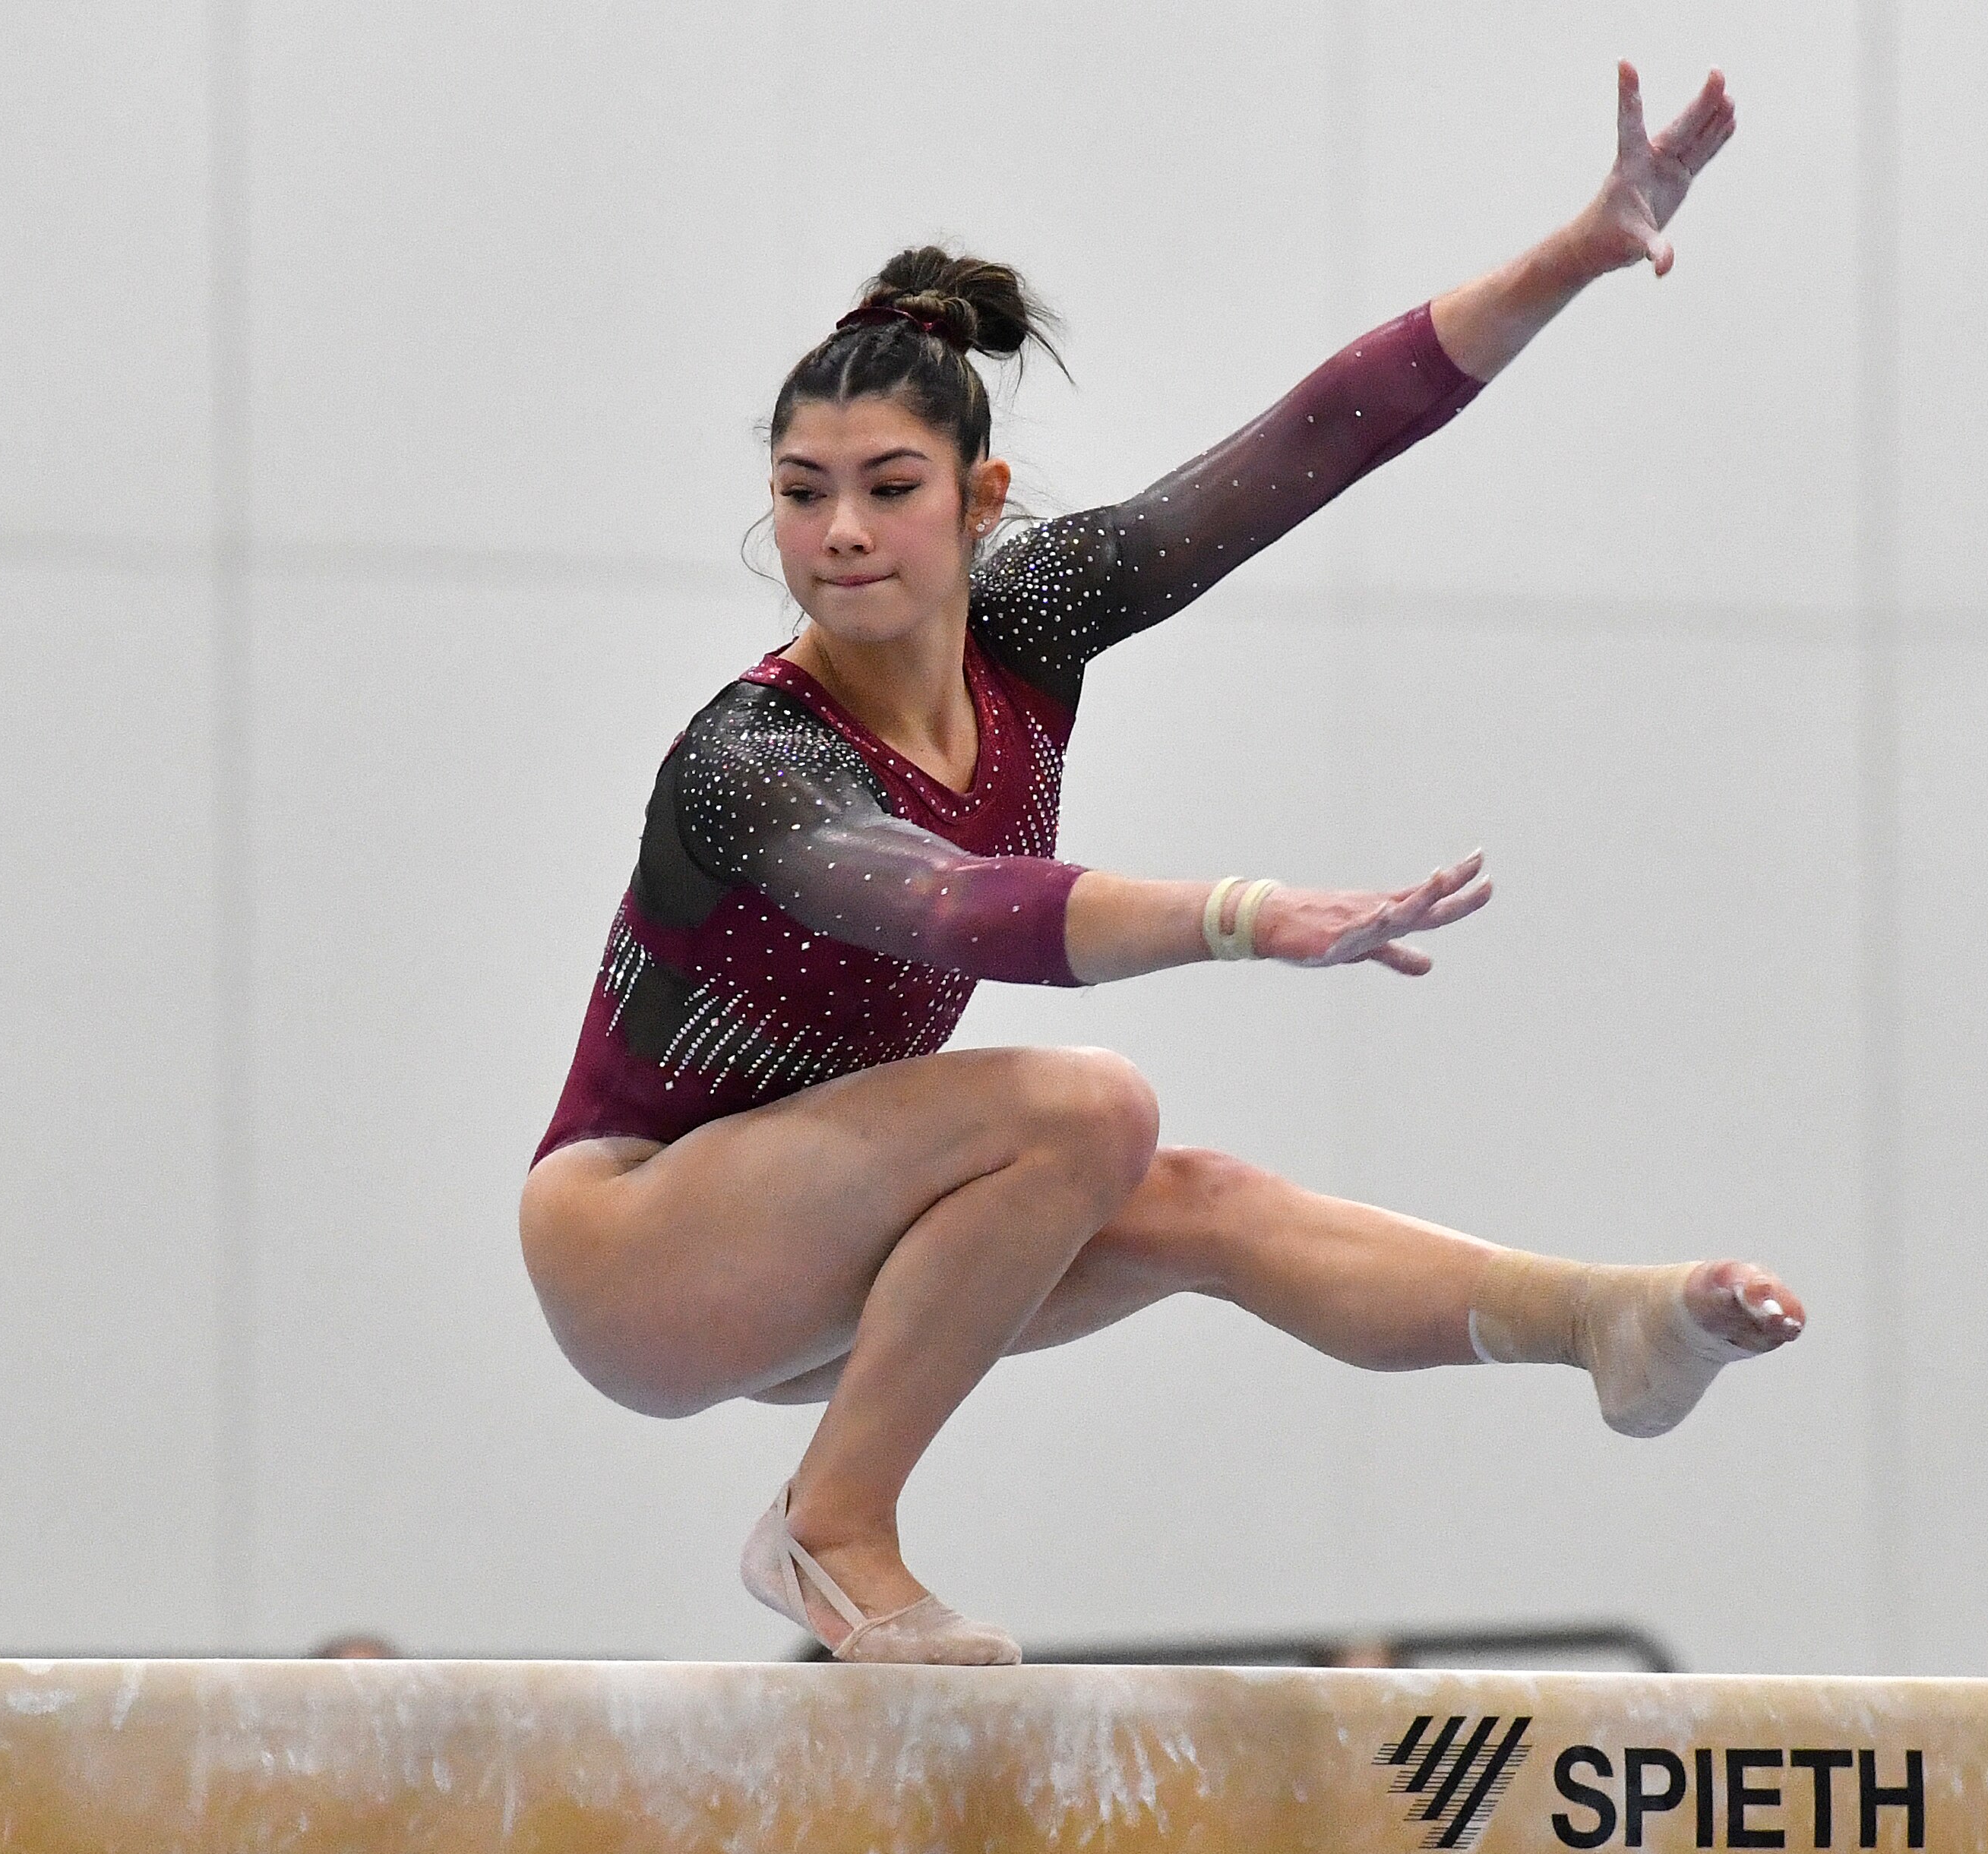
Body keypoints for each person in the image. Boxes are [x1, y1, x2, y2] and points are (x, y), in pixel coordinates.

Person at [520, 62, 1800, 1666]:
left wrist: (1582, 247)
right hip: (638, 1244)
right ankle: (832, 1525)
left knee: (1199, 1199)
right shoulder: (750, 764)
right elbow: (952, 902)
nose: (842, 530)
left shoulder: (1035, 623)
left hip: (827, 1244)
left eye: (889, 488)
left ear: (981, 501)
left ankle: (1593, 1318)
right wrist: (1244, 917)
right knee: (1088, 1107)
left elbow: (1313, 443)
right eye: (802, 494)